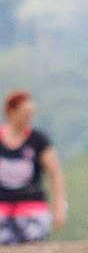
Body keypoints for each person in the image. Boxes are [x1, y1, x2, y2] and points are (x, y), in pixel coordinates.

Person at [0, 89, 66, 243]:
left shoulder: (38, 140)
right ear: (11, 112)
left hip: (31, 207)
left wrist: (59, 207)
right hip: (2, 207)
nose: (29, 118)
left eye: (31, 114)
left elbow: (55, 174)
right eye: (25, 114)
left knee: (33, 237)